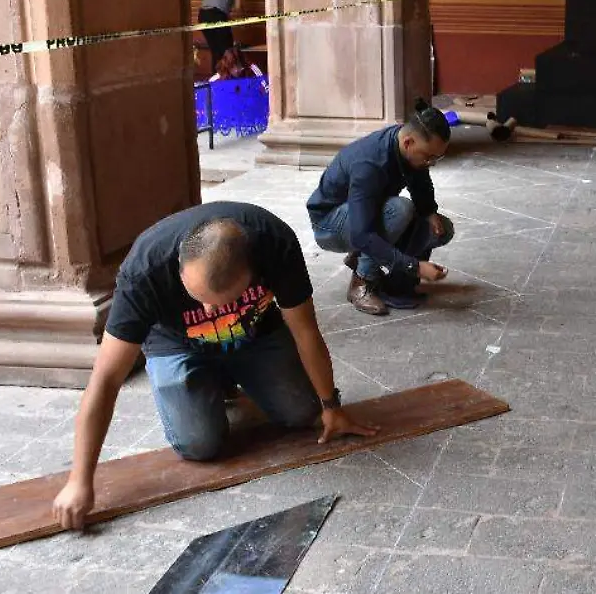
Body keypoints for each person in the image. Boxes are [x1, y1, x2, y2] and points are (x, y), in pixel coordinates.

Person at [51, 201, 377, 531]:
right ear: (180, 267)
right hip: (177, 343)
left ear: (251, 273)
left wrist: (330, 405)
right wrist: (79, 480)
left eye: (221, 301)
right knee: (199, 444)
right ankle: (212, 382)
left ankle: (230, 379)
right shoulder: (145, 271)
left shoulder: (275, 243)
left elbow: (306, 330)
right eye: (198, 297)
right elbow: (105, 380)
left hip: (254, 330)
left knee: (302, 413)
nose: (209, 310)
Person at [307, 100, 455, 316]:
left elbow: (420, 183)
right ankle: (362, 282)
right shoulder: (369, 164)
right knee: (400, 210)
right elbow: (361, 234)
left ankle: (395, 284)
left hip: (364, 213)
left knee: (440, 228)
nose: (431, 163)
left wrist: (429, 212)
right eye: (429, 157)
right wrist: (415, 266)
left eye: (437, 157)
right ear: (408, 142)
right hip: (329, 223)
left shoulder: (409, 148)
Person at [198, 0, 245, 70]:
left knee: (216, 51)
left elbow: (221, 8)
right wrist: (244, 20)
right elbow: (237, 6)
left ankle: (216, 77)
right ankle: (231, 76)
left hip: (203, 15)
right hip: (217, 15)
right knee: (228, 49)